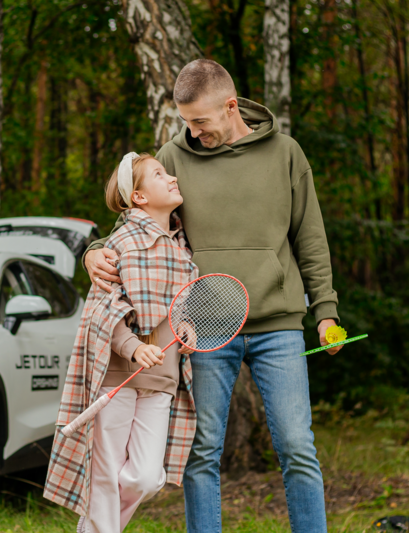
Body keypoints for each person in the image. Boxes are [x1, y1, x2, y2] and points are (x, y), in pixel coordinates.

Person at [84, 59, 340, 533]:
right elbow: (137, 222)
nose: (193, 131)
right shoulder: (175, 156)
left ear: (229, 106)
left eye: (200, 121)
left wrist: (325, 312)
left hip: (278, 325)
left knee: (297, 447)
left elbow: (310, 237)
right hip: (202, 330)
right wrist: (94, 253)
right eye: (185, 121)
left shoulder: (286, 153)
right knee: (200, 452)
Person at [44, 152, 199, 533]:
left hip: (163, 379)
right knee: (105, 474)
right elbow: (102, 312)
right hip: (116, 379)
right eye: (160, 174)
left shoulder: (182, 250)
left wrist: (187, 329)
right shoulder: (120, 244)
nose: (172, 178)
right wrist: (133, 347)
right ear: (140, 197)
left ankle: (91, 528)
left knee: (145, 477)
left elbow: (179, 307)